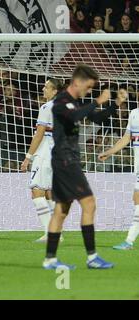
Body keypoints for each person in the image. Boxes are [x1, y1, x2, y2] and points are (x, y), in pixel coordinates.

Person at [43, 64, 116, 270]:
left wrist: (114, 105)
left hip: (64, 160)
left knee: (61, 210)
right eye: (89, 86)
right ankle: (92, 257)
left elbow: (95, 117)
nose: (90, 90)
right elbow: (75, 117)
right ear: (78, 82)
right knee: (89, 203)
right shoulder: (60, 102)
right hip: (66, 160)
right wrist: (96, 101)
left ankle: (50, 259)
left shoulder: (73, 103)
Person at [21, 79, 64, 242]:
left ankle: (51, 234)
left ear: (55, 92)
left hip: (45, 153)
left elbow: (39, 134)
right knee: (48, 192)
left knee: (36, 191)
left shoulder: (46, 107)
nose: (43, 88)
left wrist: (28, 157)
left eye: (47, 87)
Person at [98, 97, 139, 250]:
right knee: (137, 200)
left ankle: (129, 241)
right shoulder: (134, 113)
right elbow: (126, 138)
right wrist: (109, 152)